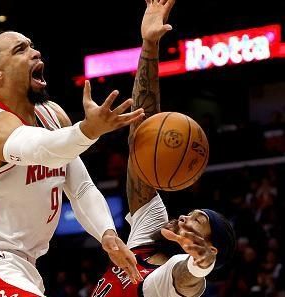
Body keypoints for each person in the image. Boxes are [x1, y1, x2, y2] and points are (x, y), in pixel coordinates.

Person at [0, 30, 146, 297]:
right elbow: (42, 149)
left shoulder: (53, 115)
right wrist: (88, 130)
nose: (35, 52)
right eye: (20, 50)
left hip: (24, 269)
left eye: (32, 46)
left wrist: (106, 233)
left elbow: (80, 186)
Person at [91, 0, 237, 296]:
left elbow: (189, 276)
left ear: (207, 247)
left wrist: (201, 263)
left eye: (198, 222)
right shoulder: (149, 231)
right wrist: (149, 45)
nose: (184, 217)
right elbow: (142, 134)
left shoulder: (170, 277)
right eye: (192, 213)